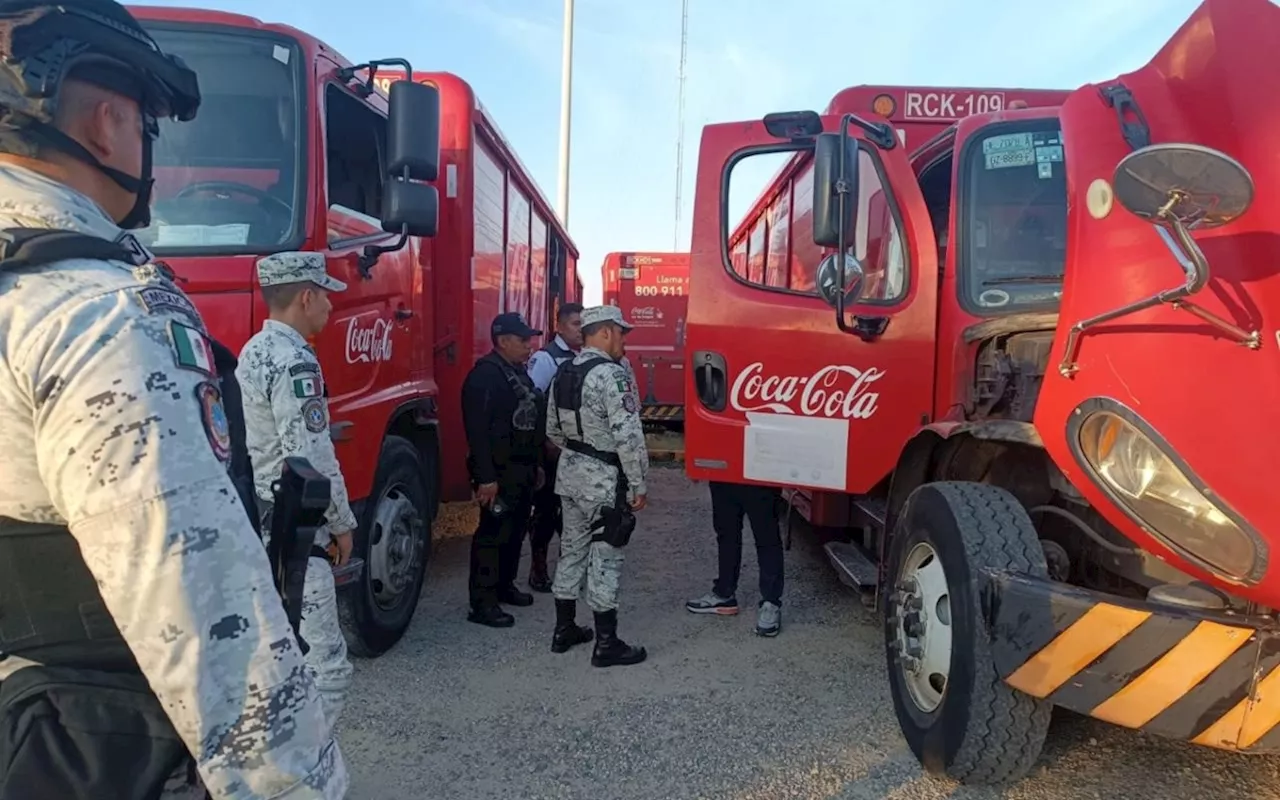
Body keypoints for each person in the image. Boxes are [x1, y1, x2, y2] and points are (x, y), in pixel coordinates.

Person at [0, 0, 346, 797]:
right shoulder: (96, 311)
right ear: (108, 122)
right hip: (99, 740)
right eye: (150, 126)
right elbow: (201, 607)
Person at [236, 251, 357, 733]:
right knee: (328, 669)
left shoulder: (253, 351)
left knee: (279, 657)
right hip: (296, 532)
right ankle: (302, 774)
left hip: (261, 520)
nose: (330, 305)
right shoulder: (295, 361)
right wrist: (343, 523)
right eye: (325, 294)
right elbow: (308, 456)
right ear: (306, 296)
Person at [546, 305, 649, 667]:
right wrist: (638, 483)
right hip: (604, 478)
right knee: (606, 554)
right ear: (604, 332)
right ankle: (607, 643)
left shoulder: (564, 371)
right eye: (620, 333)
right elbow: (628, 434)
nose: (623, 340)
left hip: (570, 474)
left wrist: (579, 450)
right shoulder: (612, 375)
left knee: (571, 549)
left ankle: (564, 629)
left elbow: (552, 430)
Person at [461, 312, 546, 627]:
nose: (529, 346)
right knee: (492, 535)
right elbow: (477, 432)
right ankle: (482, 604)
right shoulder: (484, 376)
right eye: (523, 340)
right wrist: (485, 478)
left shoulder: (517, 372)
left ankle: (504, 586)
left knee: (516, 531)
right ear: (503, 341)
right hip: (497, 472)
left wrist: (536, 463)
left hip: (522, 468)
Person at [524, 301, 584, 591]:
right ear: (559, 325)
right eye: (575, 324)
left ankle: (569, 569)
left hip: (575, 451)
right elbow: (533, 404)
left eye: (583, 325)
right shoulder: (546, 359)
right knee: (546, 512)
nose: (580, 330)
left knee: (573, 512)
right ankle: (538, 569)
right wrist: (545, 442)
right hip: (551, 452)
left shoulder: (584, 357)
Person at [686, 482, 785, 636]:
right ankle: (724, 593)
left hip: (760, 473)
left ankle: (771, 603)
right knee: (727, 534)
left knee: (767, 537)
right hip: (725, 474)